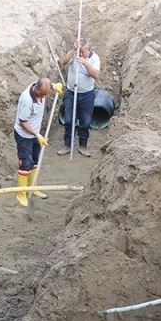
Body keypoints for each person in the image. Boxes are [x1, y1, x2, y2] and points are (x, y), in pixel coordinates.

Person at [13, 77, 61, 207]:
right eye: (41, 94)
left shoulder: (42, 87)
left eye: (45, 94)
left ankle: (32, 187)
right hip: (24, 136)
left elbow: (47, 83)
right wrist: (37, 135)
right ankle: (21, 194)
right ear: (37, 89)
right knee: (25, 163)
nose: (43, 97)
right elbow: (23, 122)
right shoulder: (26, 100)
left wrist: (54, 85)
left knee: (35, 161)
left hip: (35, 134)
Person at [58, 39, 100, 158]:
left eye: (82, 52)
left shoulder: (94, 58)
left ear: (89, 50)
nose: (80, 54)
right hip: (71, 92)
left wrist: (86, 63)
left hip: (87, 94)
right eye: (79, 51)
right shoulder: (74, 54)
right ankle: (67, 145)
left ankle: (83, 145)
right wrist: (73, 50)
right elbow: (63, 62)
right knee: (69, 119)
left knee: (85, 121)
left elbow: (96, 75)